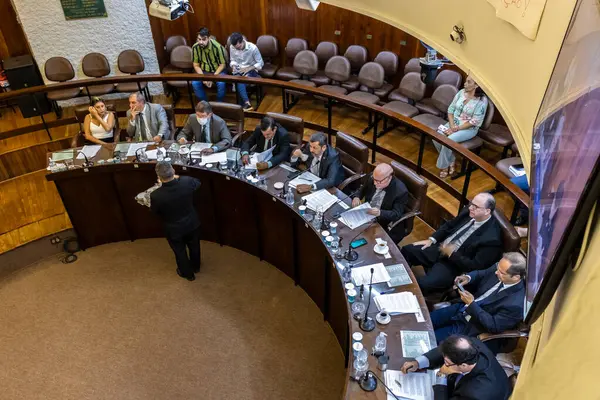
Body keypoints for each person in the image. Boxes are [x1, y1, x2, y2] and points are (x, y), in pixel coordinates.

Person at [401, 192, 503, 295]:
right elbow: (449, 225)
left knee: (424, 284)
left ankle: (405, 294)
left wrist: (451, 254)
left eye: (476, 207)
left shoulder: (491, 239)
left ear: (487, 211)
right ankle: (399, 279)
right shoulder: (469, 212)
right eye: (471, 203)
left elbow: (474, 266)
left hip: (454, 264)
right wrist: (432, 239)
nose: (471, 208)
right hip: (440, 248)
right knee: (407, 250)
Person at [431, 252, 526, 343]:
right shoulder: (500, 268)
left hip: (471, 325)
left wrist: (471, 304)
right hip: (461, 307)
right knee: (426, 321)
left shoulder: (516, 304)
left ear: (515, 277)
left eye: (501, 272)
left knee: (431, 338)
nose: (496, 272)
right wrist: (468, 277)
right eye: (497, 268)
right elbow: (482, 273)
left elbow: (494, 326)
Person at [401, 335, 511, 400]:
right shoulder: (471, 346)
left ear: (463, 365)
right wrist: (418, 363)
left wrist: (441, 376)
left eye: (446, 363)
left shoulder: (474, 394)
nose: (444, 363)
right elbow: (447, 352)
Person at [150, 162, 201, 281]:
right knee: (194, 246)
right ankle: (196, 267)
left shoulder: (156, 195)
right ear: (173, 171)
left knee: (180, 251)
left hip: (173, 229)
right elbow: (198, 182)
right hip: (192, 223)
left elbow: (154, 212)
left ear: (159, 177)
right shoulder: (187, 182)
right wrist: (179, 177)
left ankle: (188, 274)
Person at [435, 75, 488, 178]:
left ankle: (444, 166)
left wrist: (456, 129)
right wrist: (452, 125)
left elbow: (474, 121)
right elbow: (450, 110)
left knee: (448, 141)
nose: (465, 84)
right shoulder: (461, 92)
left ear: (476, 85)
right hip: (453, 123)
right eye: (465, 81)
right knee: (437, 136)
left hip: (468, 128)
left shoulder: (481, 102)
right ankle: (451, 160)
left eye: (469, 82)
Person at [351, 163, 409, 243]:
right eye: (374, 179)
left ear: (389, 178)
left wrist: (380, 213)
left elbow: (396, 214)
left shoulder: (401, 191)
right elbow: (361, 189)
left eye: (378, 181)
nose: (375, 183)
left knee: (366, 241)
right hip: (366, 214)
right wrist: (356, 197)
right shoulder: (374, 177)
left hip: (383, 222)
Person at [229, 32, 264, 112]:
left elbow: (260, 63)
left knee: (240, 81)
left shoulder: (253, 48)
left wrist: (248, 68)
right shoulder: (232, 47)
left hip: (251, 70)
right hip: (238, 69)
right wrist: (234, 66)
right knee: (237, 80)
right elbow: (233, 60)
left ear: (242, 41)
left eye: (239, 47)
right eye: (236, 47)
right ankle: (245, 105)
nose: (238, 49)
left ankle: (246, 104)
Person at [192, 27, 227, 102]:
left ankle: (218, 104)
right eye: (199, 39)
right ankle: (205, 104)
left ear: (209, 38)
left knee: (221, 84)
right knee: (195, 83)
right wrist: (203, 77)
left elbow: (222, 65)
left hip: (218, 70)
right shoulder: (195, 47)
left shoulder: (218, 47)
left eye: (203, 39)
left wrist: (212, 78)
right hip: (204, 71)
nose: (201, 42)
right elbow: (196, 65)